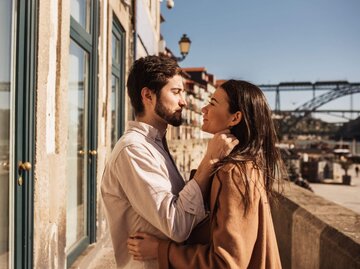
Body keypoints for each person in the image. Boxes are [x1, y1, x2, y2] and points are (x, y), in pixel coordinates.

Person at [127, 80, 287, 269]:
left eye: (212, 103)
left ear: (235, 118)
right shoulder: (244, 165)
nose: (203, 109)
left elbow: (226, 263)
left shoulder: (234, 173)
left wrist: (161, 249)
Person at [101, 56, 238, 269]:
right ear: (148, 95)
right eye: (176, 92)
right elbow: (177, 226)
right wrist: (209, 161)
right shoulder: (134, 150)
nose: (183, 101)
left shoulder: (155, 144)